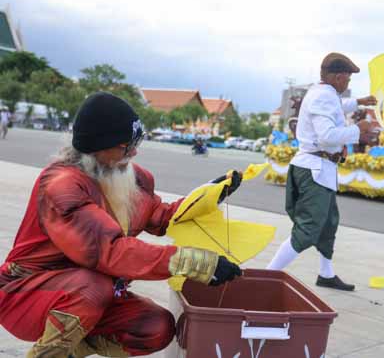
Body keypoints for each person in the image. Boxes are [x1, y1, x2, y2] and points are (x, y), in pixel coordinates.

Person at [0, 92, 243, 357]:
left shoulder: (129, 176)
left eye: (136, 143)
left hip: (93, 294)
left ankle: (70, 350)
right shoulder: (61, 186)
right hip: (26, 293)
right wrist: (199, 264)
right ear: (98, 146)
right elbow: (110, 251)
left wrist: (209, 196)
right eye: (126, 145)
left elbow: (162, 217)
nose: (134, 152)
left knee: (155, 327)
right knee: (91, 287)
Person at [267, 53, 377, 291]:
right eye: (347, 79)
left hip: (319, 170)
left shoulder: (324, 93)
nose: (348, 83)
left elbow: (338, 107)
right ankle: (267, 275)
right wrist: (358, 129)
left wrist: (361, 101)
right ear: (338, 77)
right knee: (308, 229)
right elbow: (327, 137)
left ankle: (326, 274)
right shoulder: (324, 97)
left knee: (328, 224)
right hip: (314, 171)